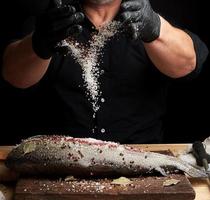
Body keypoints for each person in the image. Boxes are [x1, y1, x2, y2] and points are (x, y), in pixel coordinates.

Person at [0, 0, 209, 144]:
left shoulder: (146, 19)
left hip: (141, 162)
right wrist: (40, 43)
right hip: (61, 165)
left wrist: (154, 27)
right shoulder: (54, 22)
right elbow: (13, 75)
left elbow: (188, 65)